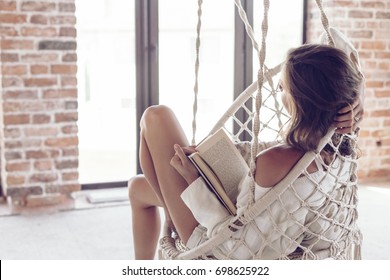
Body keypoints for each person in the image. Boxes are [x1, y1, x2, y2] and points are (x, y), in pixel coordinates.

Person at [128, 43, 364, 260]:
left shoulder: (275, 160)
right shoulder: (342, 144)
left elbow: (235, 250)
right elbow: (346, 73)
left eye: (284, 87)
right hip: (258, 219)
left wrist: (194, 180)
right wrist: (358, 102)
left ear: (302, 101)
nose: (279, 89)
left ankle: (168, 218)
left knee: (156, 116)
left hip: (214, 242)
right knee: (137, 188)